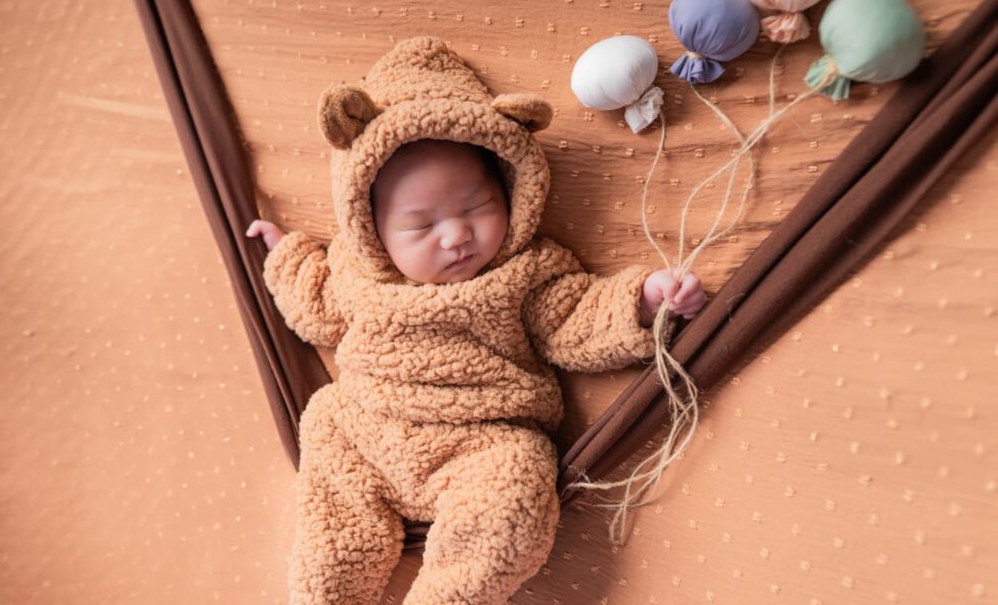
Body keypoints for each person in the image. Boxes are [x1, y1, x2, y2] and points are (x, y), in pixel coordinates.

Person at [245, 36, 706, 605]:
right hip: (361, 431)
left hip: (482, 440)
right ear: (369, 228)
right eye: (421, 225)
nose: (457, 235)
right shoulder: (354, 271)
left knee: (514, 499)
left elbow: (575, 318)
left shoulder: (527, 271)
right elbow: (312, 305)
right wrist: (284, 252)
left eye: (476, 206)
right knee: (332, 528)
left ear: (513, 190)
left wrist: (642, 299)